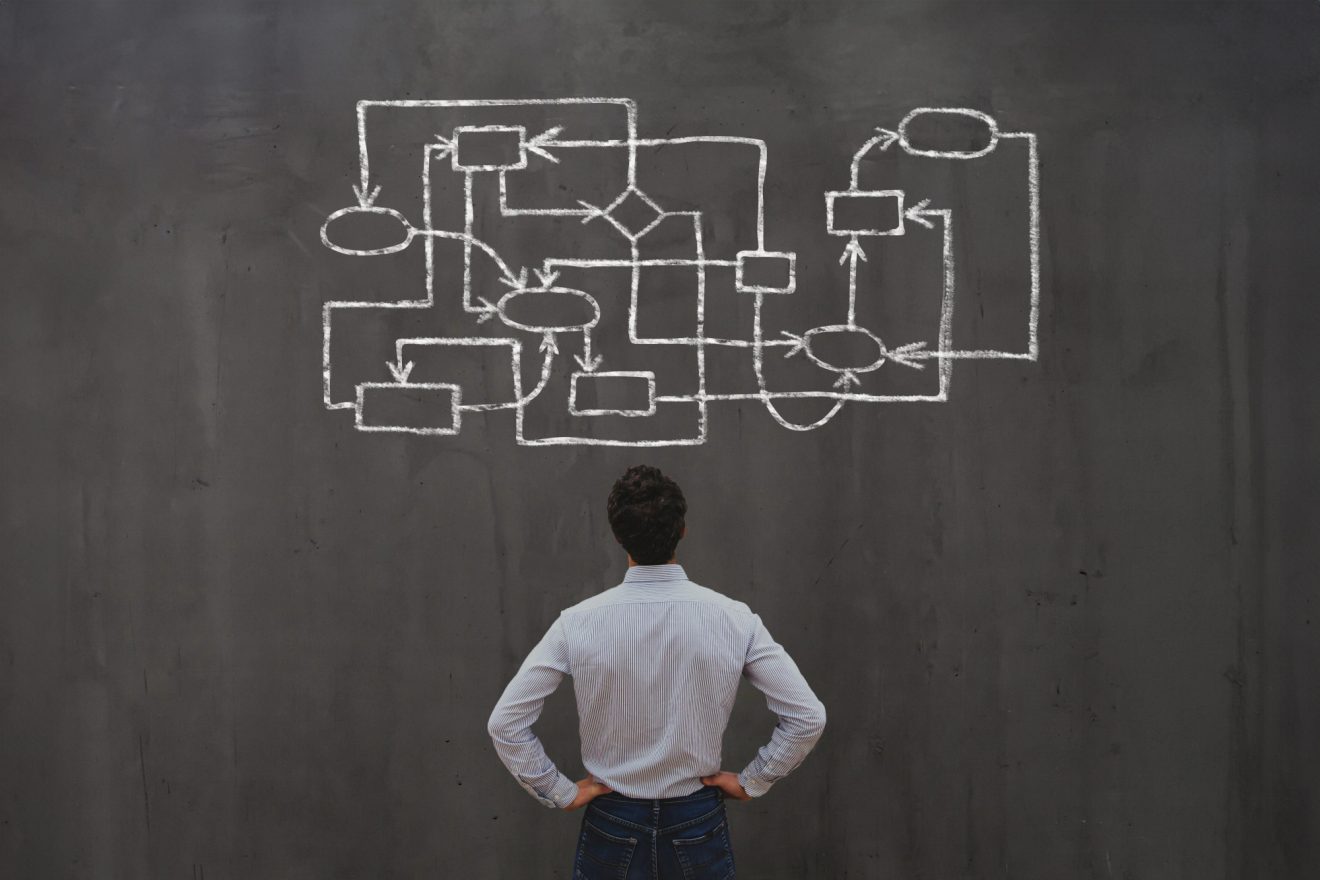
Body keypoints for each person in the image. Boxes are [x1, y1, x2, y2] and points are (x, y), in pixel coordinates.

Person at [487, 464, 827, 879]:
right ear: (682, 530)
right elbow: (807, 717)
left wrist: (559, 791)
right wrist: (753, 780)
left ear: (618, 536)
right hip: (696, 819)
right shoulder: (735, 619)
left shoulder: (577, 623)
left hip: (612, 819)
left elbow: (505, 724)